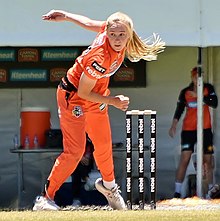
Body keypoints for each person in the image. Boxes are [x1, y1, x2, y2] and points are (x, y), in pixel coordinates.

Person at [33, 9, 165, 211]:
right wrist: (113, 100)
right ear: (108, 33)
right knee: (75, 151)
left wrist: (66, 16)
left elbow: (87, 22)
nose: (117, 39)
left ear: (128, 33)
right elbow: (83, 92)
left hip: (96, 95)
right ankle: (45, 198)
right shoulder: (100, 56)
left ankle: (109, 187)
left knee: (103, 144)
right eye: (113, 35)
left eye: (121, 35)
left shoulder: (113, 29)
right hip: (74, 97)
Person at [169, 67, 218, 198]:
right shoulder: (185, 92)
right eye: (196, 77)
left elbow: (214, 103)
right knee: (185, 158)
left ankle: (209, 191)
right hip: (189, 130)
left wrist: (200, 96)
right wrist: (174, 125)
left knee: (208, 160)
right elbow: (179, 109)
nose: (198, 79)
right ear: (192, 77)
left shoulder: (208, 88)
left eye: (200, 76)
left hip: (205, 129)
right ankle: (177, 192)